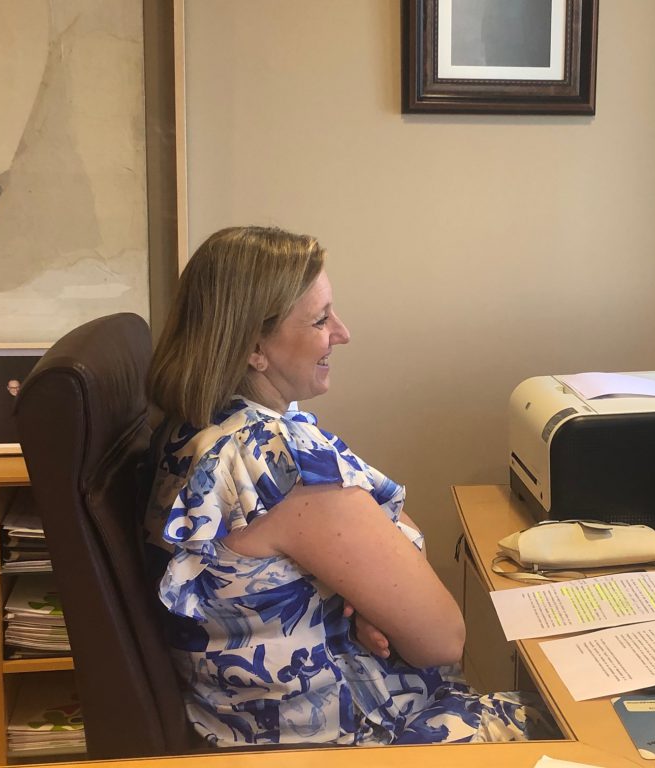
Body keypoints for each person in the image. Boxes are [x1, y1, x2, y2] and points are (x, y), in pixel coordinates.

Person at [142, 227, 554, 748]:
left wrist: (363, 589)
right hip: (351, 743)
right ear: (253, 347)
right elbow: (442, 639)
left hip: (245, 727)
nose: (342, 332)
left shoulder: (193, 428)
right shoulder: (277, 461)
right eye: (319, 320)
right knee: (596, 723)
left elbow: (382, 531)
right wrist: (380, 584)